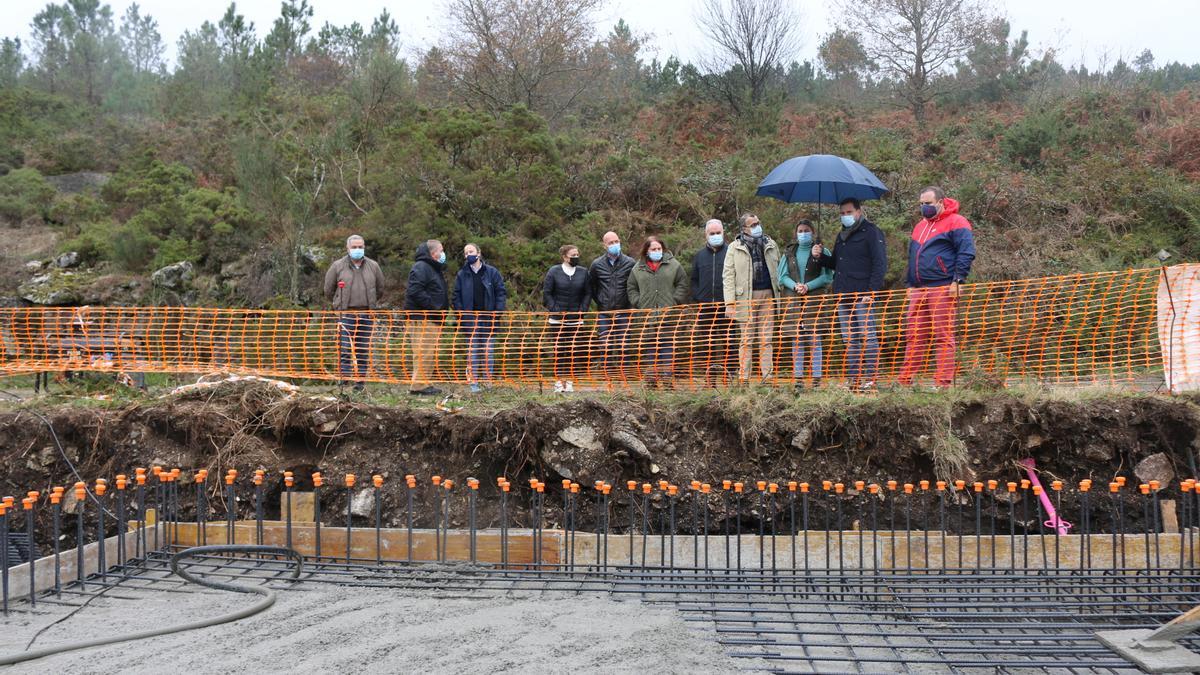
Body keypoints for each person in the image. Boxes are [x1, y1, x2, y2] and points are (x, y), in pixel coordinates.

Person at [898, 186, 976, 388]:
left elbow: (966, 252)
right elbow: (912, 257)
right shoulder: (919, 226)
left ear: (940, 202)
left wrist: (958, 280)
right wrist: (909, 283)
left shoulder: (957, 222)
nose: (924, 207)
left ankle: (942, 382)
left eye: (928, 203)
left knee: (943, 335)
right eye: (921, 204)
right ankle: (905, 382)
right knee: (914, 335)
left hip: (942, 286)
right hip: (918, 288)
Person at [815, 198, 887, 391]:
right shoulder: (841, 236)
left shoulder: (872, 232)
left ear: (859, 211)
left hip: (863, 293)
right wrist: (820, 256)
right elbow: (835, 263)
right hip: (842, 294)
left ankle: (871, 379)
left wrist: (872, 291)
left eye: (848, 212)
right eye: (842, 213)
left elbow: (880, 264)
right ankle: (853, 380)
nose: (845, 216)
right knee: (850, 339)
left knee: (868, 336)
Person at [722, 213, 781, 382]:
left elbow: (778, 269)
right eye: (753, 224)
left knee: (766, 339)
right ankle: (744, 378)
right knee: (746, 340)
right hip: (745, 298)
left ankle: (767, 378)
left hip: (768, 296)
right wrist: (730, 303)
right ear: (744, 228)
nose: (757, 227)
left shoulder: (770, 243)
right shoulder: (734, 247)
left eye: (758, 223)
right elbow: (728, 276)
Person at [323, 234, 385, 393]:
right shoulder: (337, 266)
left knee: (362, 349)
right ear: (348, 248)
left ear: (364, 247)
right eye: (354, 247)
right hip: (346, 314)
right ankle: (345, 380)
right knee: (344, 348)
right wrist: (338, 304)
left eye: (360, 247)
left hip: (366, 314)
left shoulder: (373, 266)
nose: (358, 250)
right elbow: (328, 290)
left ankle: (360, 381)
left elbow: (380, 289)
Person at [777, 220, 834, 391]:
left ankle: (817, 380)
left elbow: (828, 277)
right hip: (794, 302)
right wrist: (795, 285)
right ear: (796, 233)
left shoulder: (822, 251)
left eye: (807, 230)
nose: (803, 233)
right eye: (800, 230)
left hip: (814, 302)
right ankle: (798, 380)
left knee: (815, 340)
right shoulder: (789, 252)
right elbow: (782, 276)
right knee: (797, 341)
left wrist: (808, 286)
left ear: (813, 232)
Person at [627, 236, 689, 387]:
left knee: (667, 346)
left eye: (659, 249)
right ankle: (651, 380)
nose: (657, 251)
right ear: (647, 251)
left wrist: (675, 300)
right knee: (650, 347)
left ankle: (667, 379)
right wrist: (637, 301)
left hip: (668, 315)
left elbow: (682, 283)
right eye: (653, 249)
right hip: (647, 315)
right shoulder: (637, 268)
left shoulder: (674, 265)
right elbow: (631, 287)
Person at [452, 243, 508, 393]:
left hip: (489, 319)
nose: (468, 254)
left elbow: (501, 293)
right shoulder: (461, 274)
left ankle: (487, 382)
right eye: (466, 252)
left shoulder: (492, 272)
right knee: (473, 353)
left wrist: (498, 312)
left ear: (479, 252)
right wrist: (461, 315)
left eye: (471, 251)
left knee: (488, 352)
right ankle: (473, 384)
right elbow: (456, 297)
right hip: (470, 320)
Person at [691, 219, 735, 384]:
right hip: (706, 307)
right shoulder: (699, 256)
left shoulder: (731, 252)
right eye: (712, 233)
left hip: (727, 306)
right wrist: (698, 297)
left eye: (718, 233)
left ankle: (728, 377)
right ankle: (710, 379)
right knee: (707, 344)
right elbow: (694, 280)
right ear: (706, 235)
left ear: (723, 233)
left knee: (729, 342)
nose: (715, 236)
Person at [543, 244, 592, 392]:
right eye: (573, 255)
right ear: (565, 256)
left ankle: (570, 381)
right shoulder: (553, 271)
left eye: (577, 254)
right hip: (557, 320)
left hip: (576, 319)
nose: (576, 257)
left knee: (573, 351)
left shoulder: (584, 272)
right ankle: (558, 381)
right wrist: (554, 309)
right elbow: (547, 293)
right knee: (558, 350)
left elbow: (588, 293)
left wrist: (582, 310)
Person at [403, 239, 449, 396]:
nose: (443, 254)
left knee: (427, 352)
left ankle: (424, 382)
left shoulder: (432, 268)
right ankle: (419, 386)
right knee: (423, 351)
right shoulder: (422, 267)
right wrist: (433, 306)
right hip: (423, 317)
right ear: (433, 253)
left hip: (430, 318)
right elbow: (414, 290)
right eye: (441, 250)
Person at [589, 231, 635, 376]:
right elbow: (592, 286)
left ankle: (624, 375)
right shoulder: (597, 264)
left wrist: (630, 304)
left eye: (616, 241)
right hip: (604, 312)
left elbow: (633, 286)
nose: (614, 245)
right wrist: (601, 301)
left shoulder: (630, 263)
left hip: (624, 311)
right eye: (610, 243)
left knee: (623, 345)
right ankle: (608, 374)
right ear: (604, 245)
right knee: (605, 344)